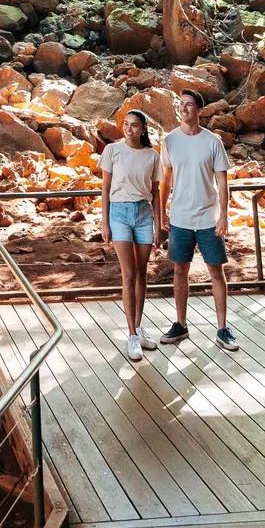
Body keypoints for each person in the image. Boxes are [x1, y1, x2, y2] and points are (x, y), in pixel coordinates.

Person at [158, 91, 238, 352]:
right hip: (180, 217)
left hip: (208, 217)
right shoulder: (169, 141)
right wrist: (162, 211)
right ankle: (180, 324)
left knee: (216, 271)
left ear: (199, 110)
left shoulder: (212, 141)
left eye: (190, 105)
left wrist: (224, 215)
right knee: (180, 270)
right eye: (181, 105)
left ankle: (222, 328)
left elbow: (223, 182)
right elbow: (165, 180)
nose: (184, 109)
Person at [98, 110, 164, 361]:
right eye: (126, 125)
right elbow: (104, 189)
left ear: (143, 129)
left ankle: (138, 326)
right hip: (119, 213)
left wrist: (159, 224)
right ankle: (131, 335)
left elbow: (156, 193)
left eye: (135, 126)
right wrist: (104, 222)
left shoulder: (152, 156)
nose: (129, 129)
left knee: (142, 272)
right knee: (128, 273)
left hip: (144, 213)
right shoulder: (112, 151)